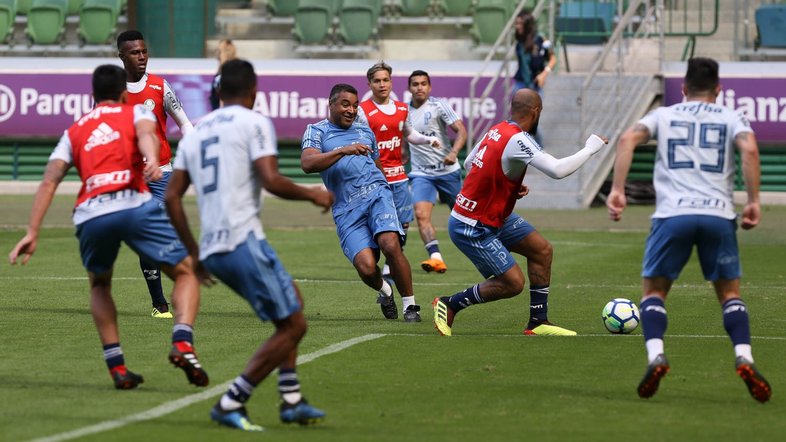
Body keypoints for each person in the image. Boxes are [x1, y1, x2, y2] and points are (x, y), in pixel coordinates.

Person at [8, 64, 209, 391]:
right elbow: (147, 136)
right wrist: (152, 161)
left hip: (91, 213)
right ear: (123, 94)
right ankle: (182, 342)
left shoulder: (75, 130)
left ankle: (117, 367)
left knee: (100, 285)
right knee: (186, 273)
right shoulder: (134, 113)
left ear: (93, 95)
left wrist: (32, 231)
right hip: (131, 203)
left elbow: (49, 180)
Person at [166, 59, 332, 431]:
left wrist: (194, 252)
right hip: (241, 240)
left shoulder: (196, 132)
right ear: (254, 91)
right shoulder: (254, 122)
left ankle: (291, 398)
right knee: (294, 326)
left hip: (213, 247)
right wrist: (313, 194)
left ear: (218, 92)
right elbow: (271, 180)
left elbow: (172, 196)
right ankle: (232, 401)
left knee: (293, 301)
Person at [606, 57, 771, 403]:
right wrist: (754, 200)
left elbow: (626, 140)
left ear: (683, 88)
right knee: (729, 294)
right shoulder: (732, 117)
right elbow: (750, 150)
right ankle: (744, 356)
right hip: (717, 215)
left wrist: (618, 190)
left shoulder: (663, 115)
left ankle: (656, 355)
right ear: (718, 90)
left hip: (673, 215)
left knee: (654, 292)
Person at [432, 89, 607, 337]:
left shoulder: (497, 129)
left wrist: (508, 184)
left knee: (542, 251)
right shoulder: (518, 138)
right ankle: (450, 304)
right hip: (472, 225)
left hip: (492, 215)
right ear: (536, 111)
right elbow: (557, 170)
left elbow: (470, 163)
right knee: (512, 283)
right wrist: (590, 148)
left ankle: (538, 322)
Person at [301, 83, 422, 323]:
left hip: (377, 195)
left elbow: (377, 165)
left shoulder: (365, 131)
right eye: (345, 104)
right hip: (346, 208)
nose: (351, 110)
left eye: (355, 105)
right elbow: (307, 163)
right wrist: (343, 151)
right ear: (331, 104)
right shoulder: (317, 131)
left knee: (390, 244)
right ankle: (386, 291)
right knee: (366, 267)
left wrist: (388, 192)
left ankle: (411, 307)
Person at [117, 29, 195, 319]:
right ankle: (159, 303)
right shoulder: (114, 92)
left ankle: (180, 287)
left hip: (161, 173)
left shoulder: (161, 87)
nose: (142, 57)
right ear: (121, 56)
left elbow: (185, 124)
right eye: (135, 53)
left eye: (144, 51)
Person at [356, 62, 441, 283]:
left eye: (385, 80)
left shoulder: (403, 109)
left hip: (399, 177)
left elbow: (409, 134)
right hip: (373, 178)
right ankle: (374, 264)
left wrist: (428, 140)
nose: (382, 84)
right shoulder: (362, 111)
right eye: (377, 81)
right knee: (376, 224)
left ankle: (388, 267)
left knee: (403, 224)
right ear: (369, 84)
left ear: (391, 82)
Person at [407, 69, 468, 274]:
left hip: (447, 171)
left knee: (463, 218)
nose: (419, 87)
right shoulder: (404, 111)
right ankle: (436, 258)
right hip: (421, 174)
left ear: (429, 87)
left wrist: (454, 152)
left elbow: (461, 131)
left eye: (423, 84)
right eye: (415, 84)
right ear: (409, 88)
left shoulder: (438, 105)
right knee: (420, 215)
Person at [513, 10, 556, 95]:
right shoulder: (519, 43)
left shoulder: (541, 39)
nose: (517, 26)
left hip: (536, 85)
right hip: (520, 84)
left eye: (521, 23)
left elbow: (553, 59)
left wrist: (544, 74)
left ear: (528, 25)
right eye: (516, 23)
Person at [209, 39, 237, 111]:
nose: (216, 52)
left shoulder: (227, 71)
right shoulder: (221, 70)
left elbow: (223, 97)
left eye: (218, 50)